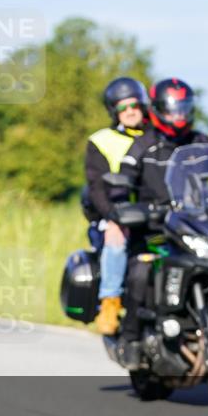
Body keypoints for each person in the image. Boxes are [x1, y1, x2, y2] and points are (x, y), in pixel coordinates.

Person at [112, 78, 208, 368]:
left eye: (183, 108)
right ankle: (131, 339)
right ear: (157, 110)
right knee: (140, 271)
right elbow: (122, 181)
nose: (178, 115)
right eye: (172, 109)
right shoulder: (144, 144)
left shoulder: (201, 142)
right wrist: (124, 204)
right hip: (155, 232)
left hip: (196, 228)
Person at [83, 77, 148, 335]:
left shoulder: (158, 136)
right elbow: (96, 186)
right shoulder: (101, 141)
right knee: (116, 234)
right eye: (123, 107)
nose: (130, 111)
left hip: (157, 211)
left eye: (134, 105)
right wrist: (112, 214)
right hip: (119, 213)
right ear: (114, 111)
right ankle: (110, 302)